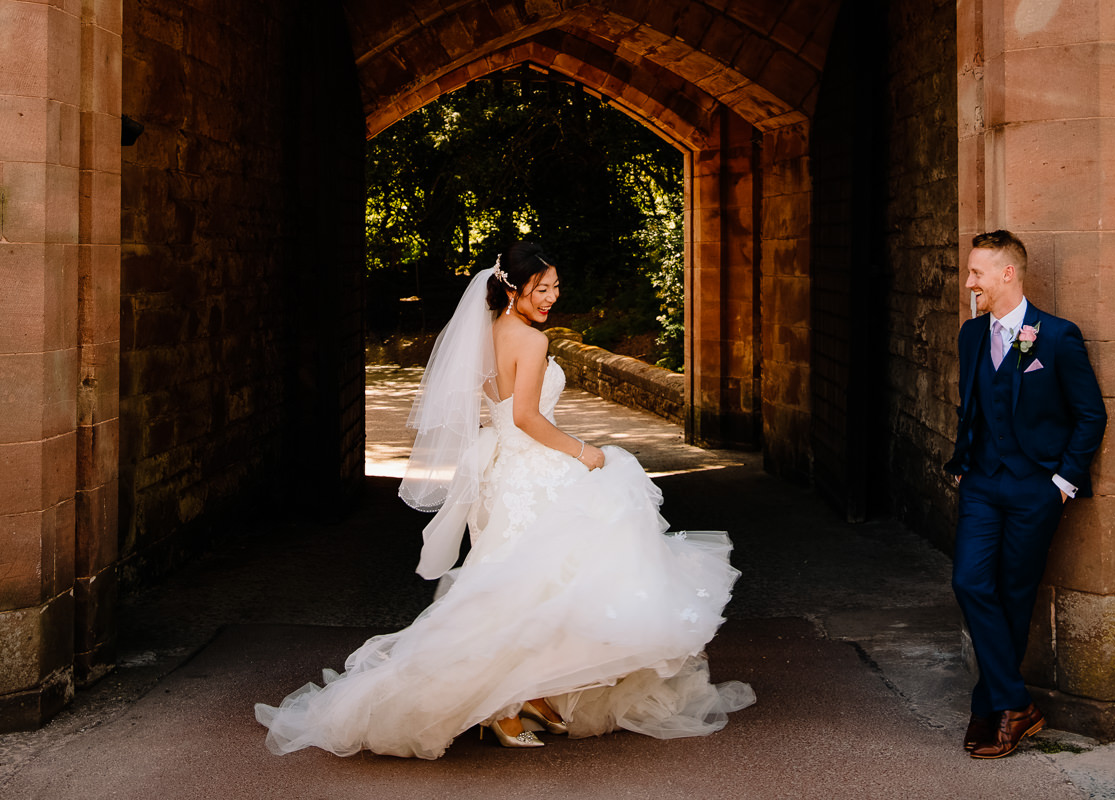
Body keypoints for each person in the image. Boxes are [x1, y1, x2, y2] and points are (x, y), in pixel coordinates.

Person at [255, 242, 754, 759]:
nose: (552, 297)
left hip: (503, 470)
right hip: (532, 466)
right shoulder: (531, 342)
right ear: (514, 289)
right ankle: (503, 709)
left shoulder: (487, 334)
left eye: (557, 287)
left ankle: (530, 695)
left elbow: (493, 409)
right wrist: (587, 453)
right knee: (538, 583)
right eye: (542, 289)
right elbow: (526, 418)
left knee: (522, 584)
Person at [945, 230, 1106, 759]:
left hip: (1037, 487)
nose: (969, 283)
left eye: (976, 273)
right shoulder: (972, 334)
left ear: (1007, 274)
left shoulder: (1057, 336)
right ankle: (1016, 701)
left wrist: (1061, 484)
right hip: (983, 484)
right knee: (969, 581)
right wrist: (965, 464)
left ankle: (990, 708)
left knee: (1015, 595)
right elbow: (974, 403)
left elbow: (1090, 415)